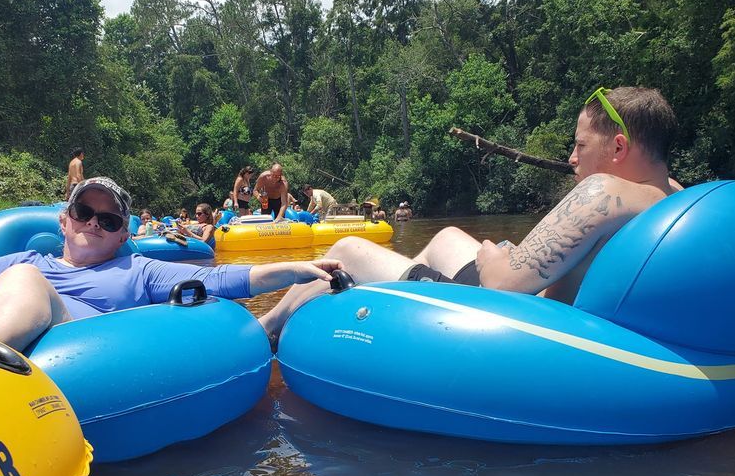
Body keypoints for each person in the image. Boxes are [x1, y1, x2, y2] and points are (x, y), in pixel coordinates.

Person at [259, 86, 680, 339]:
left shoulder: (604, 191)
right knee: (445, 238)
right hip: (537, 295)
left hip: (515, 316)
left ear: (620, 148)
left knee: (348, 248)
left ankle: (268, 326)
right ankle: (394, 296)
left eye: (581, 146)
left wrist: (498, 260)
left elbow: (499, 285)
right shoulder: (672, 196)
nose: (571, 158)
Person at [0, 177, 342, 351]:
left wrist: (299, 268)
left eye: (110, 222)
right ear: (64, 222)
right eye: (85, 213)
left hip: (71, 334)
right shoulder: (25, 256)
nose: (95, 224)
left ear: (121, 237)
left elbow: (223, 278)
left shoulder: (137, 271)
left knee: (25, 281)